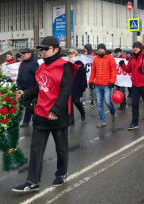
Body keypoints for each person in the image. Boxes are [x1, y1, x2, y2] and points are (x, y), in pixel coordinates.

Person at [12, 36, 73, 192]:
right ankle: (32, 181)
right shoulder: (41, 67)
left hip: (57, 114)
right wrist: (24, 94)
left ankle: (62, 173)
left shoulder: (65, 66)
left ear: (56, 49)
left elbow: (66, 90)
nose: (43, 52)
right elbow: (39, 88)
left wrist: (56, 109)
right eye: (41, 49)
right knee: (36, 149)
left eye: (46, 49)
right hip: (40, 113)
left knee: (61, 147)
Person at [119, 41, 144, 130]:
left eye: (136, 47)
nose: (135, 48)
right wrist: (122, 65)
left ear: (140, 48)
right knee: (135, 104)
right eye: (133, 47)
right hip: (135, 85)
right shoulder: (131, 57)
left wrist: (143, 69)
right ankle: (134, 123)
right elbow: (129, 70)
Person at [88, 44, 117, 128]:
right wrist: (90, 81)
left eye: (101, 49)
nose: (99, 50)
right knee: (99, 103)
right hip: (98, 85)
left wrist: (112, 81)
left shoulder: (110, 58)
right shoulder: (95, 59)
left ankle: (112, 112)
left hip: (107, 85)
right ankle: (102, 121)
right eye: (98, 49)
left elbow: (113, 70)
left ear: (104, 49)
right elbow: (93, 71)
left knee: (108, 101)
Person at [17, 48, 39, 128]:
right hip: (23, 88)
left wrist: (36, 88)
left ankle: (26, 121)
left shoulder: (34, 63)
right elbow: (20, 74)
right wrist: (18, 83)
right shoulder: (22, 63)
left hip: (31, 89)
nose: (22, 55)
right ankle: (35, 117)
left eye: (24, 53)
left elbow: (38, 76)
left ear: (29, 54)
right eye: (22, 53)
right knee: (28, 106)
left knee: (29, 105)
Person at [67, 49, 86, 124]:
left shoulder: (79, 63)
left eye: (72, 54)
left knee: (76, 101)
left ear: (75, 55)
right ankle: (71, 120)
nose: (70, 55)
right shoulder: (67, 64)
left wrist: (83, 85)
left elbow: (83, 75)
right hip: (69, 86)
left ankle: (82, 112)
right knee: (69, 102)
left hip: (77, 86)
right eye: (69, 54)